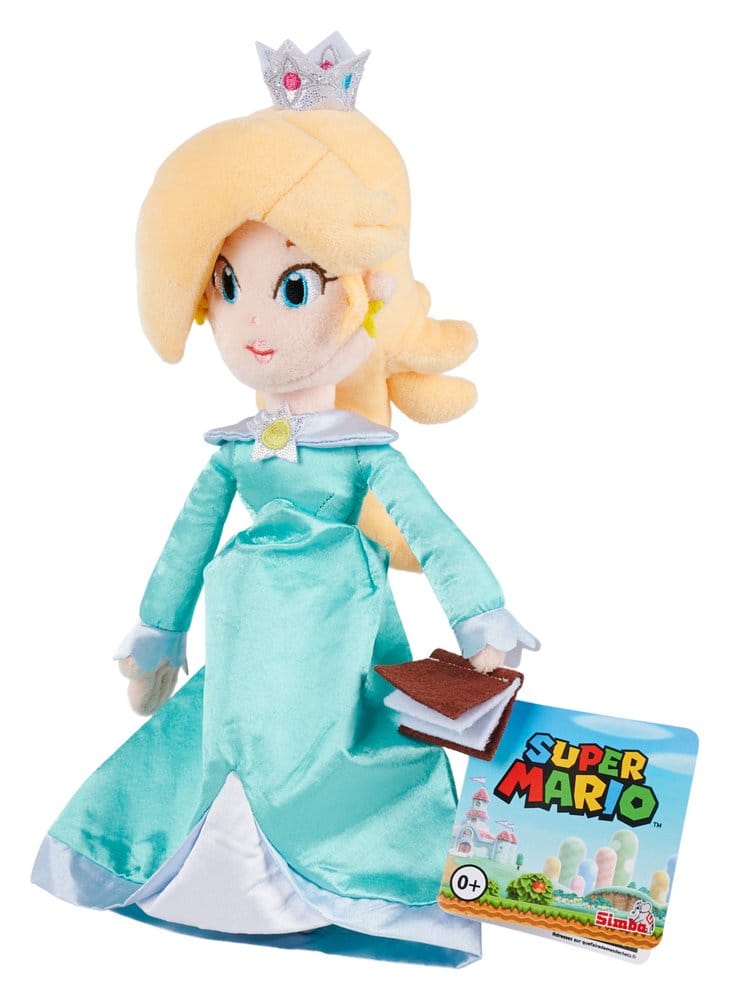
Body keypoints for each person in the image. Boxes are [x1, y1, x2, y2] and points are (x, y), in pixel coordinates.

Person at [32, 34, 538, 967]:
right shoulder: (234, 449)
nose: (254, 322)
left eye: (294, 286)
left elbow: (428, 527)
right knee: (220, 740)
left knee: (338, 747)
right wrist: (158, 631)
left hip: (335, 623)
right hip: (244, 629)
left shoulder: (364, 454)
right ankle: (214, 878)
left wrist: (481, 615)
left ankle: (334, 881)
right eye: (229, 286)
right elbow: (188, 538)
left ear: (366, 291)